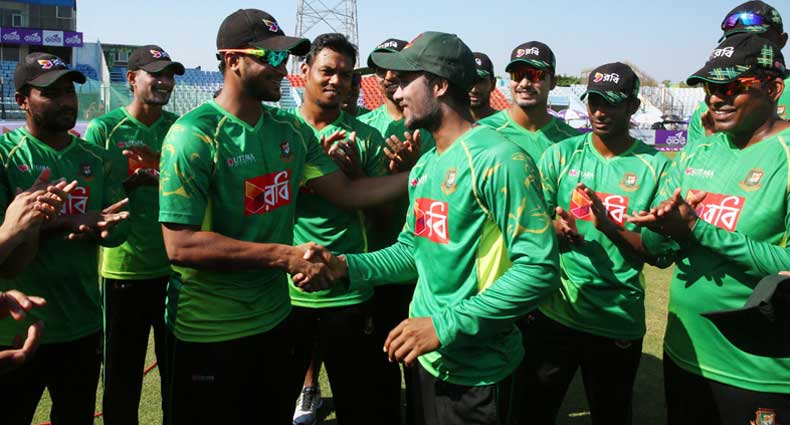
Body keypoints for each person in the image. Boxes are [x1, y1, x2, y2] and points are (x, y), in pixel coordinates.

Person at [158, 10, 412, 424]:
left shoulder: (289, 131)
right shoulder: (194, 135)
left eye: (285, 58)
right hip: (210, 329)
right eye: (271, 57)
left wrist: (422, 173)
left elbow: (347, 193)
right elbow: (180, 245)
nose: (282, 68)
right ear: (232, 60)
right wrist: (284, 256)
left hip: (276, 320)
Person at [309, 31, 560, 425]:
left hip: (478, 372)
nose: (396, 92)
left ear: (440, 85)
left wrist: (443, 325)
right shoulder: (426, 164)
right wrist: (346, 265)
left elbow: (539, 269)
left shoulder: (500, 160)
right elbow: (413, 249)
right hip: (425, 358)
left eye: (407, 81)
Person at [629, 33, 790, 424]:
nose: (716, 98)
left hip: (760, 371)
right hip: (684, 353)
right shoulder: (697, 152)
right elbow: (658, 252)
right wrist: (659, 228)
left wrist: (699, 229)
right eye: (709, 88)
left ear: (773, 88)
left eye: (731, 87)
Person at [522, 62, 674, 425]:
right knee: (533, 412)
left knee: (612, 415)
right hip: (557, 311)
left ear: (633, 106)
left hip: (616, 318)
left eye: (612, 103)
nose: (600, 111)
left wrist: (609, 227)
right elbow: (529, 225)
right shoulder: (560, 155)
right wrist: (555, 229)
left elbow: (662, 255)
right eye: (594, 101)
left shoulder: (657, 167)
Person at [0, 52, 130, 425]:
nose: (66, 101)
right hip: (17, 326)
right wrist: (62, 223)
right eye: (51, 93)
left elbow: (120, 226)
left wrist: (105, 229)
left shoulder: (98, 158)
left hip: (82, 324)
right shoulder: (5, 157)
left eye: (69, 91)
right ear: (22, 101)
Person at [288, 32, 404, 425]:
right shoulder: (280, 133)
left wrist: (356, 177)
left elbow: (384, 218)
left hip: (350, 293)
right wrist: (306, 179)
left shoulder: (366, 137)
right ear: (305, 70)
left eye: (346, 75)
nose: (337, 81)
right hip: (285, 293)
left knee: (360, 405)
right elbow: (259, 209)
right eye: (327, 71)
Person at [84, 44, 185, 425]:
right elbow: (91, 195)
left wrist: (156, 176)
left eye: (169, 74)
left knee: (176, 373)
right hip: (124, 269)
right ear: (131, 79)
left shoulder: (181, 127)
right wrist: (132, 181)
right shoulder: (105, 129)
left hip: (175, 268)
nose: (164, 81)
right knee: (121, 376)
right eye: (155, 74)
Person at [359, 37, 438, 425]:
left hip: (425, 271)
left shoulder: (433, 128)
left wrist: (413, 168)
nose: (390, 76)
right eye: (382, 69)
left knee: (423, 372)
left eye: (399, 69)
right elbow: (358, 197)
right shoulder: (364, 126)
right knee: (381, 365)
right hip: (382, 263)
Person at [687, 0, 789, 144]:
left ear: (782, 40)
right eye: (733, 41)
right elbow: (694, 154)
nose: (742, 47)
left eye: (755, 40)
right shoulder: (708, 107)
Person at [479, 41, 579, 163]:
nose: (524, 83)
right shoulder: (483, 131)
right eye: (517, 75)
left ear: (553, 81)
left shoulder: (573, 141)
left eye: (536, 75)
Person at [469, 52, 497, 121]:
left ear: (493, 84)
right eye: (469, 80)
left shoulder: (505, 123)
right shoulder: (447, 122)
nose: (474, 90)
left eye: (481, 81)